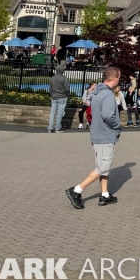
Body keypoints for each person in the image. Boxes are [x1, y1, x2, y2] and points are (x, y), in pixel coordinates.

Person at [66, 67, 122, 209]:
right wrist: (117, 126)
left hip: (97, 134)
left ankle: (105, 195)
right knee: (103, 167)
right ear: (114, 78)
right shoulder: (108, 94)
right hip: (105, 135)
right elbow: (108, 115)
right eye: (119, 77)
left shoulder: (97, 92)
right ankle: (76, 190)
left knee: (102, 167)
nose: (119, 80)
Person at [47, 64, 71, 133]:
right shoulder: (64, 78)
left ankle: (50, 128)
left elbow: (50, 88)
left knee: (52, 112)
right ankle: (58, 128)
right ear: (62, 70)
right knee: (60, 113)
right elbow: (67, 89)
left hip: (54, 97)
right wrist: (67, 94)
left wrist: (52, 95)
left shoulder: (52, 78)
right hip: (62, 96)